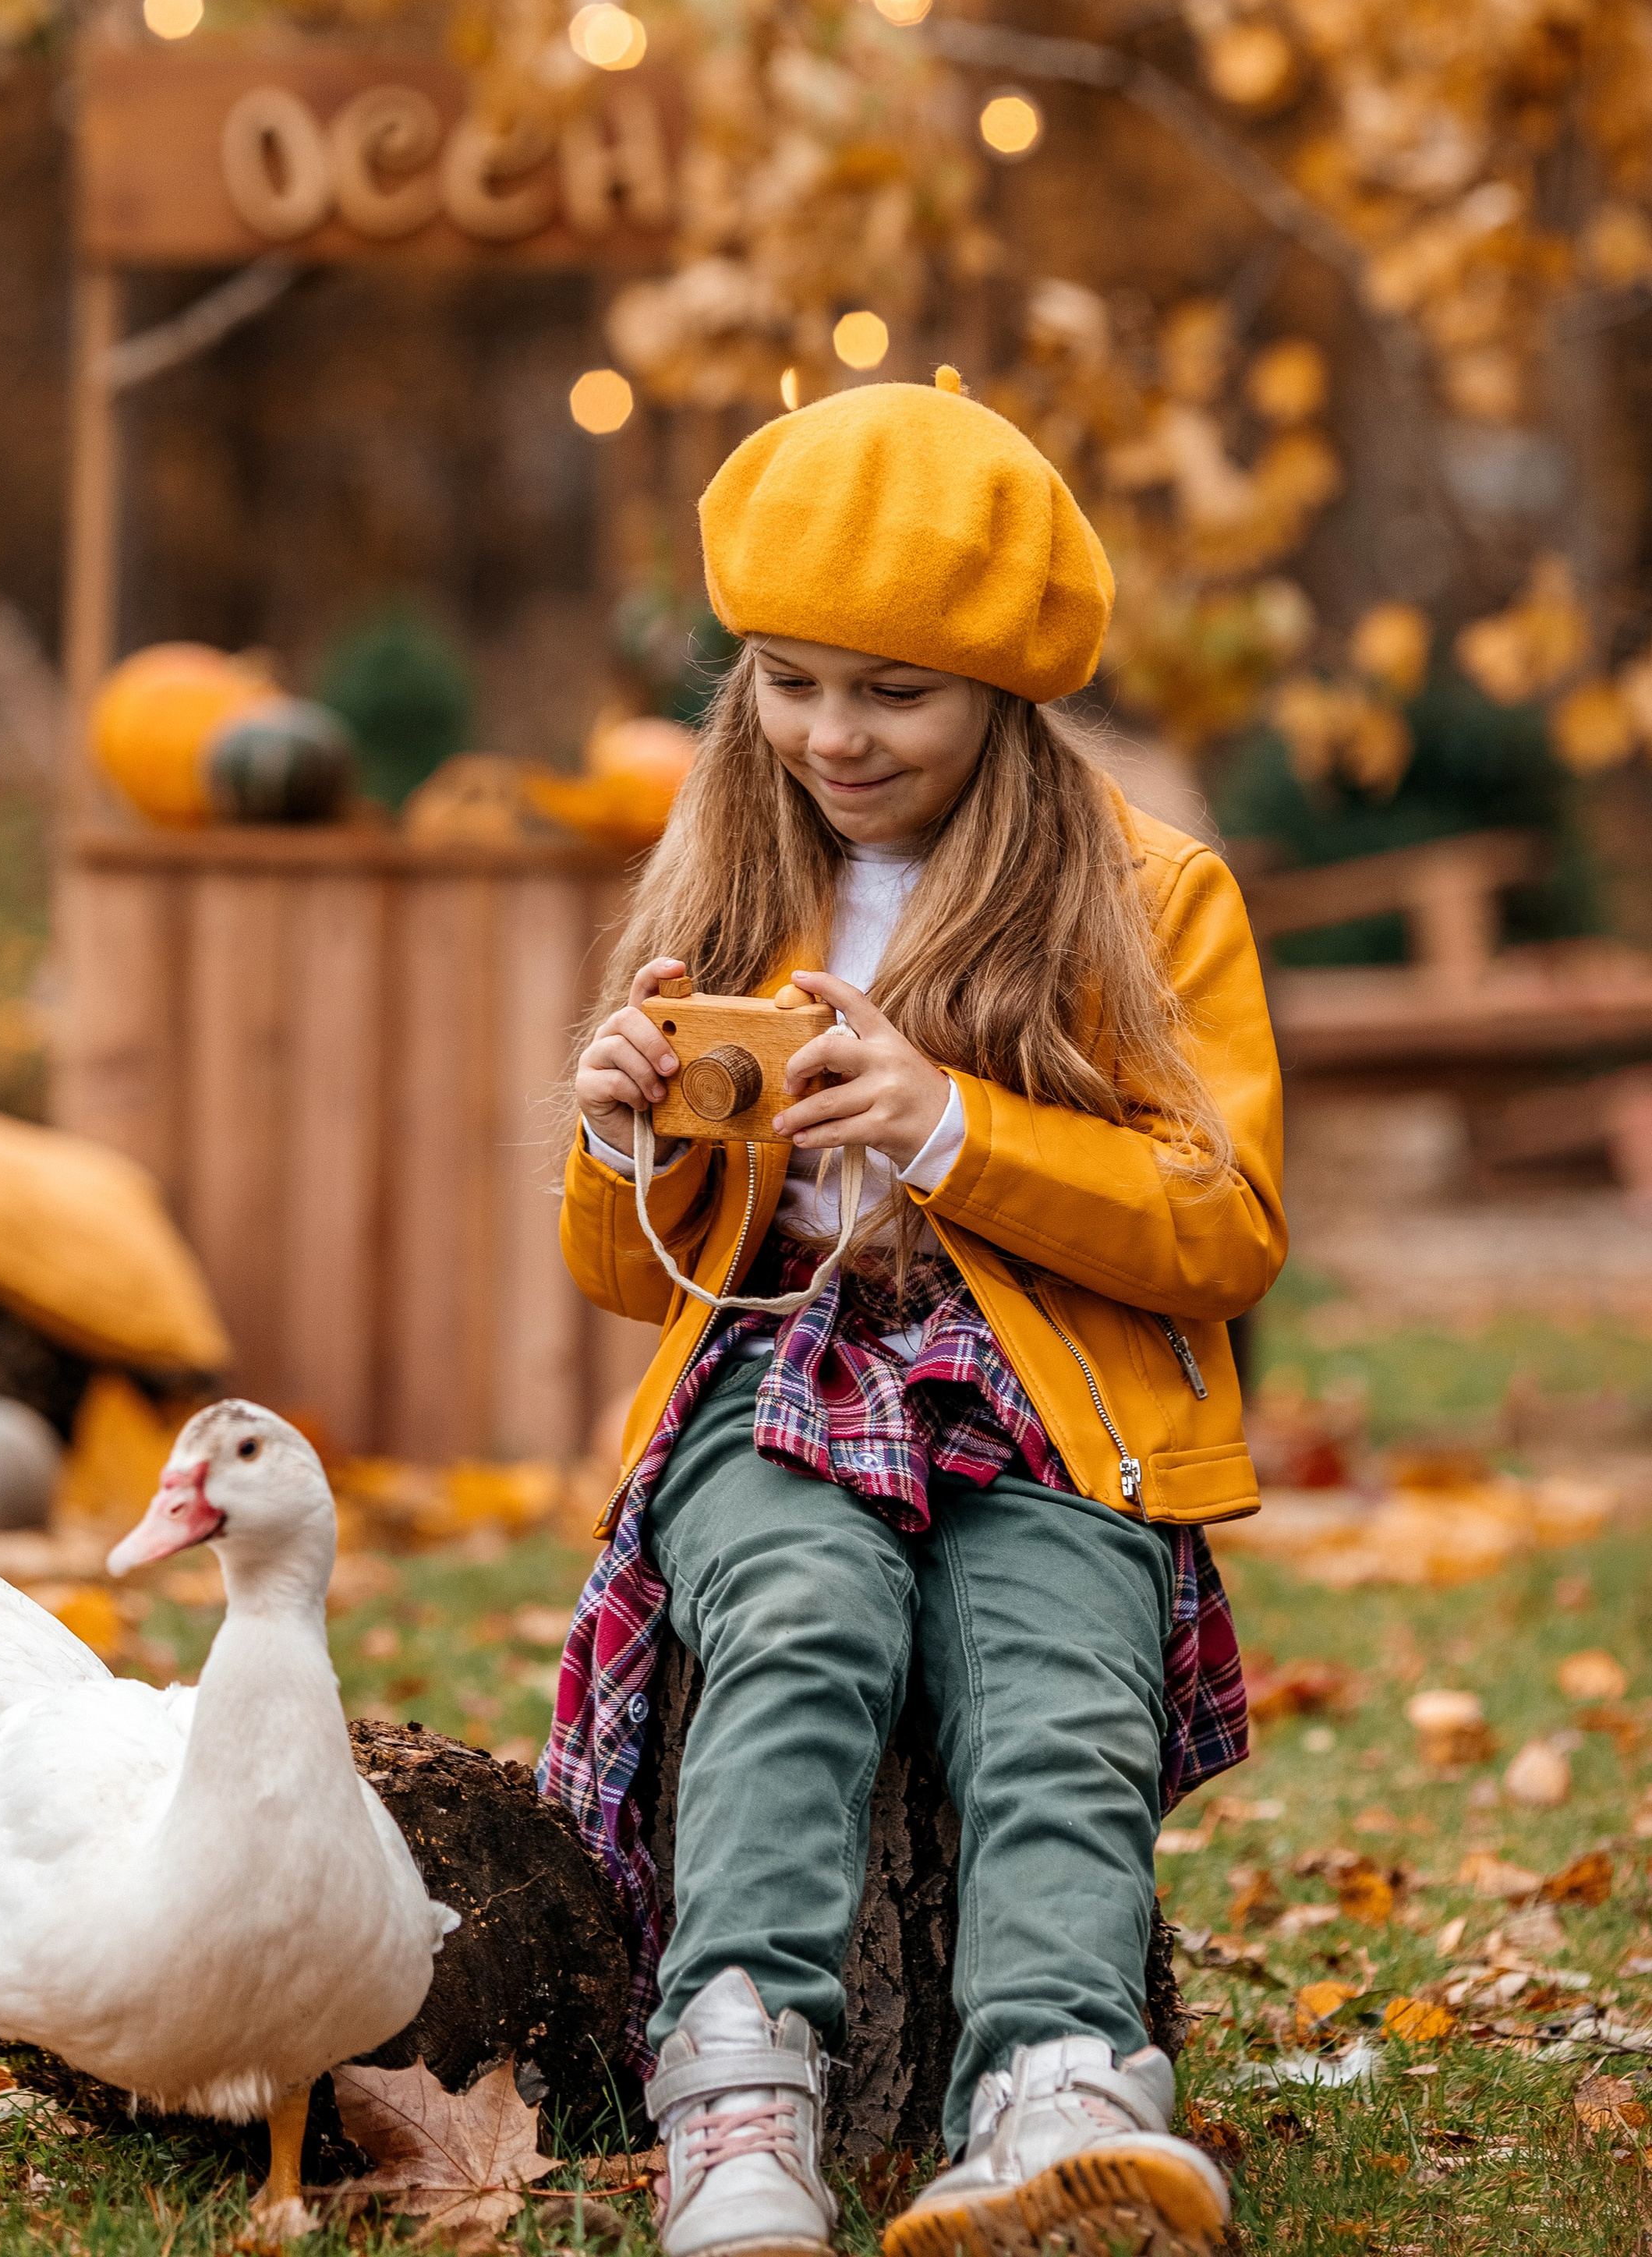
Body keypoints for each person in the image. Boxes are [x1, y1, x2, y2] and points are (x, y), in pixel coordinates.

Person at [541, 370, 1284, 2257]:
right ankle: (739, 2086)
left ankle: (1056, 2091)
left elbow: (1225, 1228)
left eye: (891, 693)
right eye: (788, 682)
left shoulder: (1151, 894)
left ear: (1002, 691)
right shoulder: (728, 873)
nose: (831, 736)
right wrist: (622, 1137)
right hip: (780, 1361)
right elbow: (624, 1279)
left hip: (1040, 1382)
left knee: (1057, 1683)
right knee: (794, 1625)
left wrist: (951, 1129)